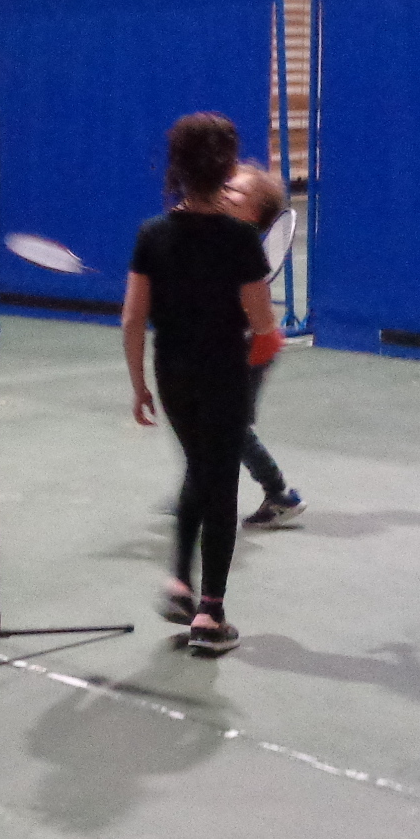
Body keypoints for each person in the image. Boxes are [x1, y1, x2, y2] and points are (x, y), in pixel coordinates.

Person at [123, 114, 283, 654]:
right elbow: (261, 322)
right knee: (221, 486)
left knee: (199, 466)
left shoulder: (152, 234)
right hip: (223, 375)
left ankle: (178, 582)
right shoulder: (241, 239)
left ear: (177, 167)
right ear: (226, 168)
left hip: (172, 376)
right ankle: (210, 614)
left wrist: (139, 386)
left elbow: (133, 320)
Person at [222, 164, 306, 530]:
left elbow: (250, 316)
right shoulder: (220, 240)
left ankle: (279, 494)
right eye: (226, 186)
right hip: (236, 346)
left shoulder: (241, 252)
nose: (226, 193)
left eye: (237, 193)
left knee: (230, 426)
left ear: (254, 214)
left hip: (253, 350)